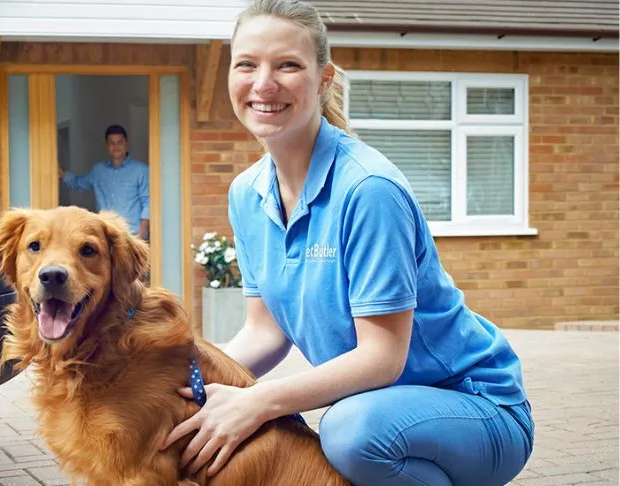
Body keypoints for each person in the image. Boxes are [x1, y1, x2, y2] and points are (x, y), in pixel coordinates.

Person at [162, 1, 535, 485]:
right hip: (384, 410)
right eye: (247, 64)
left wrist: (255, 402)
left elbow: (382, 356)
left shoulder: (368, 189)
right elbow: (266, 332)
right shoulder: (246, 194)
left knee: (349, 434)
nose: (263, 83)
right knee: (349, 428)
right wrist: (185, 381)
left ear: (323, 79)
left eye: (288, 65)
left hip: (478, 408)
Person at [59, 124, 150, 241]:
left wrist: (141, 236)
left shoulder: (141, 171)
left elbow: (147, 203)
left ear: (126, 143)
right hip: (106, 235)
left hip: (131, 235)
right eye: (112, 143)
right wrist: (63, 174)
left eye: (120, 142)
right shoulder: (98, 170)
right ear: (107, 145)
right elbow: (79, 183)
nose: (116, 146)